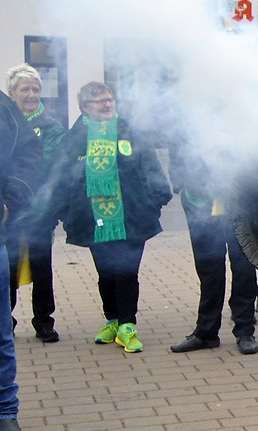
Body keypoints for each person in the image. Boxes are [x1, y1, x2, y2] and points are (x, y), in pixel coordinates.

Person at [46, 82, 172, 353]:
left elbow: (151, 169)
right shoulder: (74, 138)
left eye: (109, 99)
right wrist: (65, 213)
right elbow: (60, 178)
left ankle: (128, 325)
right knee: (105, 273)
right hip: (94, 220)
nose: (107, 104)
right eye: (99, 101)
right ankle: (113, 319)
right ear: (84, 108)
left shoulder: (130, 132)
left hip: (131, 217)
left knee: (127, 271)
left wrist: (153, 204)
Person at [167, 141, 258, 355]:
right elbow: (177, 146)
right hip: (200, 201)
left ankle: (245, 331)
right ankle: (206, 332)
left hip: (239, 202)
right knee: (209, 269)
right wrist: (180, 182)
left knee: (244, 269)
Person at [4, 64, 65, 343]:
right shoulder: (6, 124)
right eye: (25, 89)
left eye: (36, 89)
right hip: (9, 210)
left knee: (42, 267)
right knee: (9, 267)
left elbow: (48, 165)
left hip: (39, 209)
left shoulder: (51, 126)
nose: (31, 94)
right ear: (11, 93)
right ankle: (8, 319)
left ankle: (44, 321)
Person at [1, 89, 40, 431]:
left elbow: (28, 157)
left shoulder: (3, 107)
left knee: (0, 332)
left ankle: (4, 411)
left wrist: (10, 201)